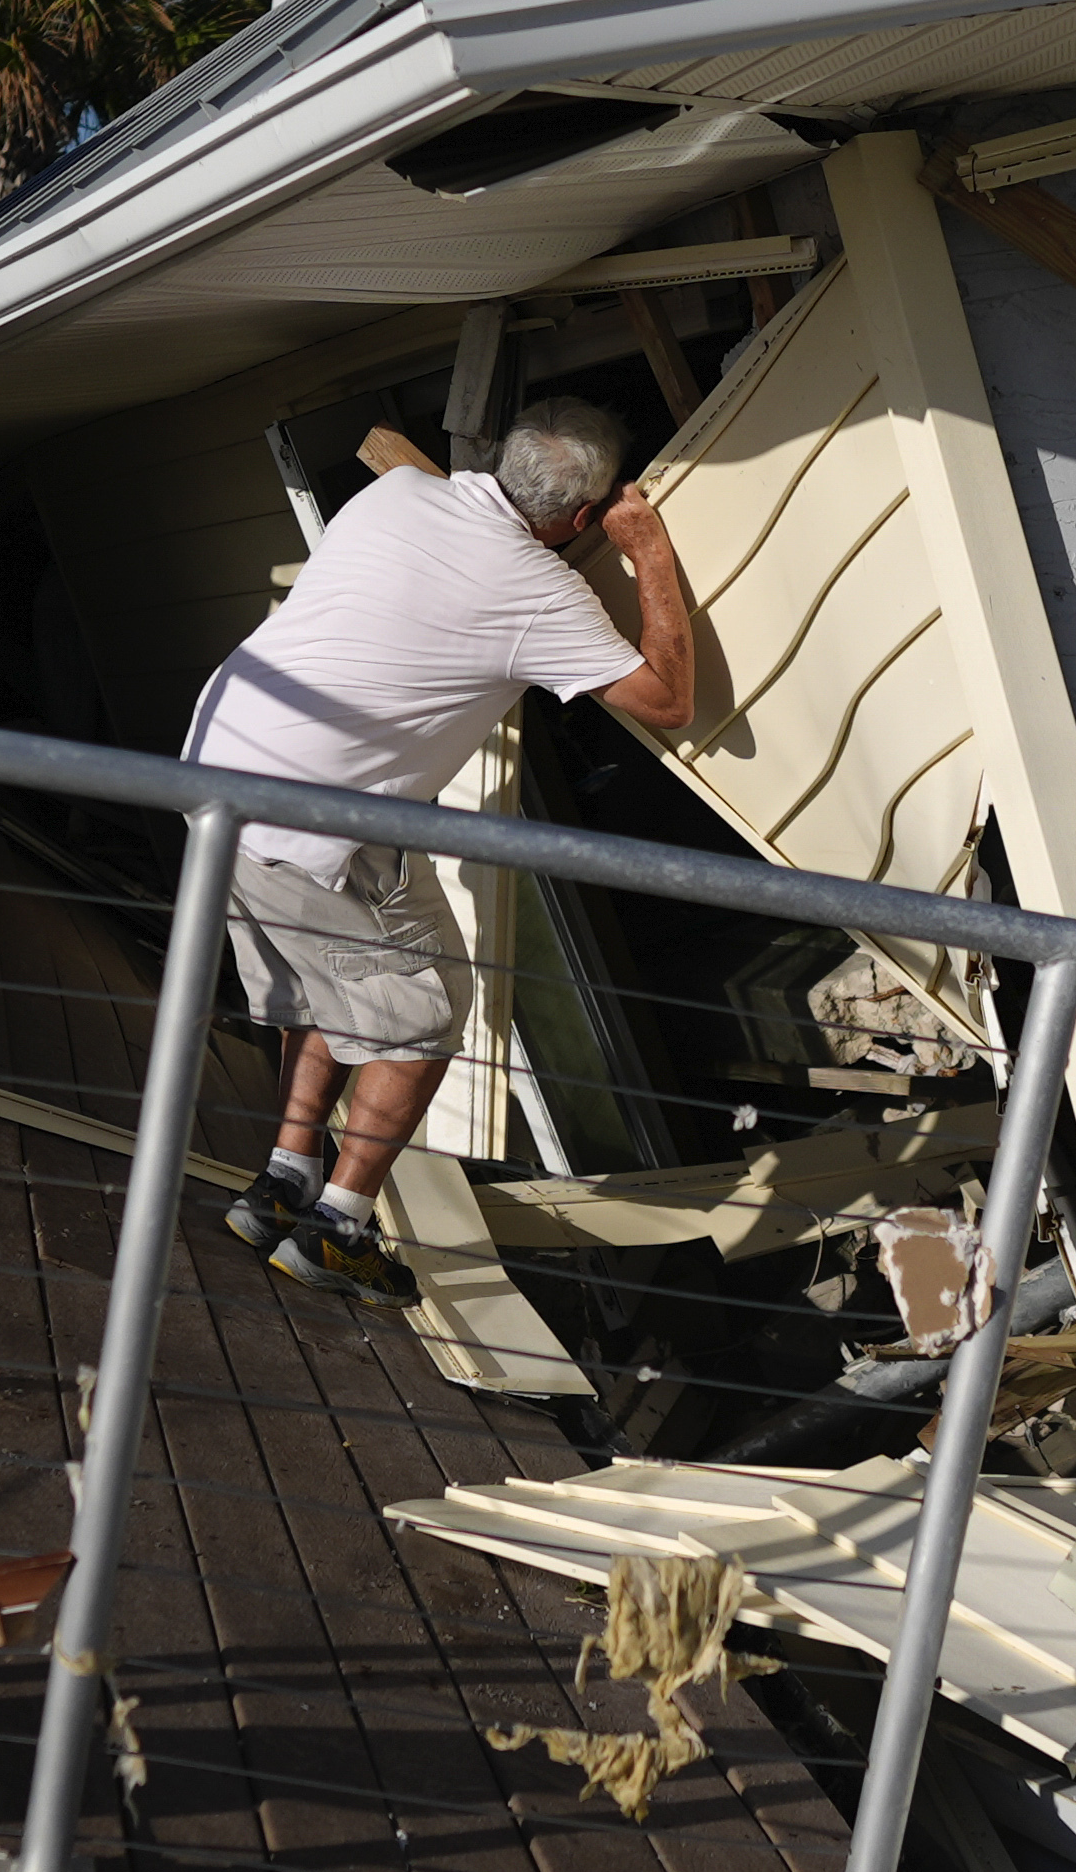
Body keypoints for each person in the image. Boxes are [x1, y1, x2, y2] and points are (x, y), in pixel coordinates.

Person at [180, 392, 702, 1297]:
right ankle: (335, 1228)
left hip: (218, 779)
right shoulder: (542, 592)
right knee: (417, 1024)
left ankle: (282, 1185)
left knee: (331, 992)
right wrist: (648, 551)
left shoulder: (396, 496)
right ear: (582, 519)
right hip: (321, 826)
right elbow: (667, 702)